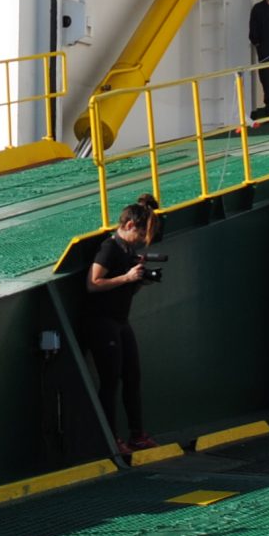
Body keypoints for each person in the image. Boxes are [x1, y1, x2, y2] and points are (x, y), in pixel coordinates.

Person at [82, 193, 161, 454]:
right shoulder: (109, 248)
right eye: (140, 235)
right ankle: (110, 437)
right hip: (102, 321)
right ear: (128, 226)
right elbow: (93, 284)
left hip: (121, 320)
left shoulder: (128, 251)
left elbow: (127, 289)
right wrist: (127, 278)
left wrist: (138, 280)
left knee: (132, 376)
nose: (141, 241)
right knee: (110, 380)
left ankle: (138, 434)